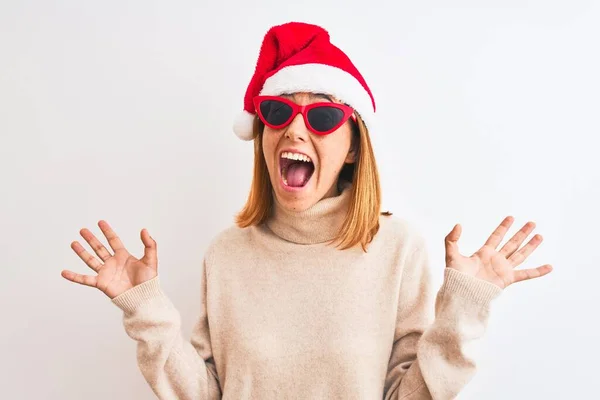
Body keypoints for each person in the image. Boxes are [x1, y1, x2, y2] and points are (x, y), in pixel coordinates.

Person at [61, 21, 553, 399]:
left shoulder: (398, 248)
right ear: (262, 132)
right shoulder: (228, 254)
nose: (295, 131)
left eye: (321, 116)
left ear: (354, 147)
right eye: (278, 111)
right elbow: (205, 392)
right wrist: (145, 308)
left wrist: (465, 307)